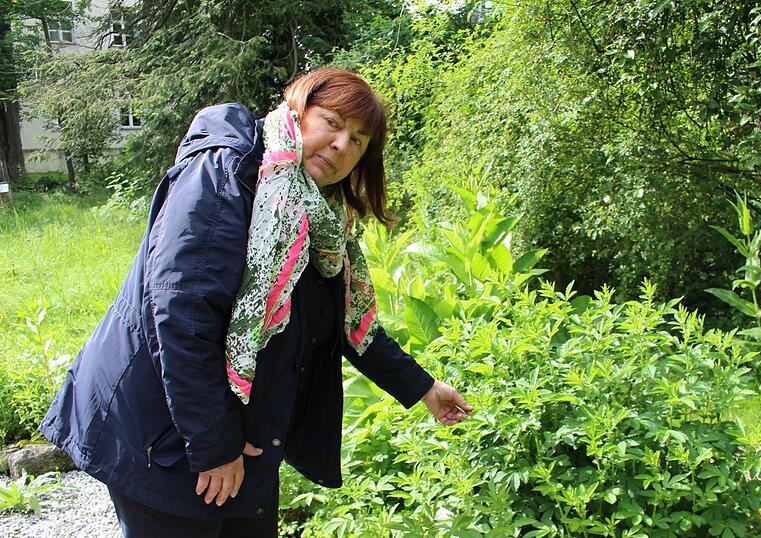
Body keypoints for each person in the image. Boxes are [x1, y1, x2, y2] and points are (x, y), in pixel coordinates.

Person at [39, 68, 472, 537]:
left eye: (358, 140)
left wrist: (423, 388)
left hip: (239, 433)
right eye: (331, 122)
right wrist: (214, 447)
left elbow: (344, 320)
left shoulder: (318, 216)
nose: (341, 145)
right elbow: (182, 313)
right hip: (160, 429)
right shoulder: (226, 173)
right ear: (297, 110)